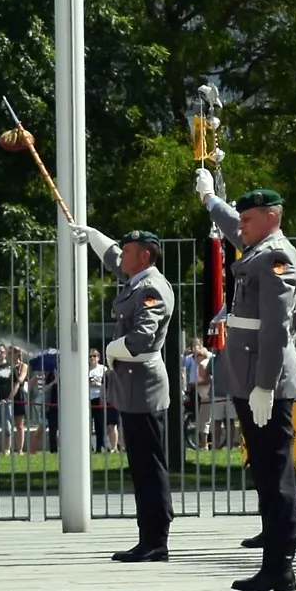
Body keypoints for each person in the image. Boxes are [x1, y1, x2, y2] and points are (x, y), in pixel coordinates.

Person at [201, 176, 296, 591]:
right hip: (250, 378)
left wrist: (265, 384)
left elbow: (276, 328)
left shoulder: (276, 255)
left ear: (271, 218)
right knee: (264, 472)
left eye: (248, 218)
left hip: (268, 381)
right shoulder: (257, 247)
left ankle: (280, 566)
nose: (240, 226)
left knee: (275, 471)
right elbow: (232, 225)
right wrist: (211, 200)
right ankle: (273, 562)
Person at [65, 225, 184, 562]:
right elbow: (113, 258)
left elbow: (143, 337)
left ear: (144, 255)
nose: (122, 256)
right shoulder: (138, 280)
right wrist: (91, 235)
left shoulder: (151, 289)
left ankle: (156, 538)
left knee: (149, 467)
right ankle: (148, 536)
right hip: (133, 387)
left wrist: (113, 349)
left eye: (128, 251)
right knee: (141, 465)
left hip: (143, 386)